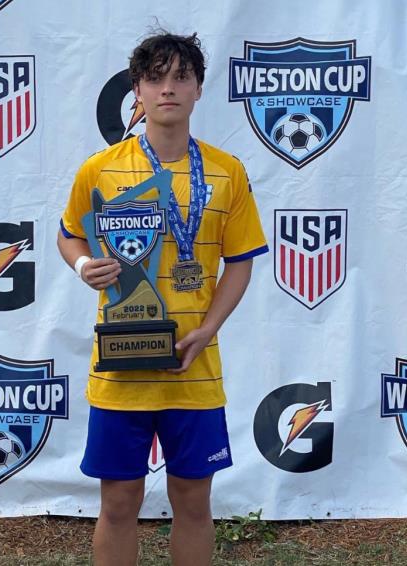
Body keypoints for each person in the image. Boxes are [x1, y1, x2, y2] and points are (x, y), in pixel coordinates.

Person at [57, 30, 267, 566]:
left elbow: (240, 262)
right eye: (155, 78)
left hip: (192, 367)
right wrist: (84, 264)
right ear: (137, 91)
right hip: (120, 366)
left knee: (194, 503)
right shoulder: (100, 168)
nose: (168, 89)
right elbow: (67, 233)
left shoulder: (227, 172)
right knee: (118, 502)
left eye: (181, 77)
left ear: (199, 89)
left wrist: (209, 330)